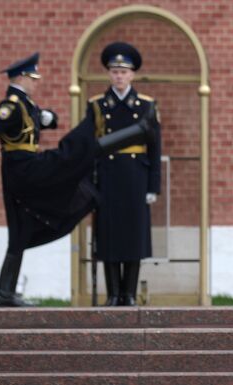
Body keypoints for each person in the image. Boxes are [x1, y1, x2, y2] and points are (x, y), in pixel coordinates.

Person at [0, 52, 155, 307]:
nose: (37, 82)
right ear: (22, 78)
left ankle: (6, 294)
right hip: (23, 171)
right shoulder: (10, 106)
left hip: (29, 170)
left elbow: (39, 121)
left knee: (19, 235)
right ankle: (117, 142)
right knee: (69, 156)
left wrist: (48, 118)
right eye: (34, 78)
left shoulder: (26, 105)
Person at [85, 42, 162, 306]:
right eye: (115, 71)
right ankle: (113, 293)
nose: (119, 76)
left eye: (124, 72)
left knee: (133, 236)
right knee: (108, 237)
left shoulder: (146, 105)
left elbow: (154, 148)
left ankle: (128, 294)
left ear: (132, 75)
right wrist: (89, 183)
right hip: (107, 177)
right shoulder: (97, 105)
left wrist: (153, 186)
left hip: (135, 179)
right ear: (109, 74)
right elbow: (89, 146)